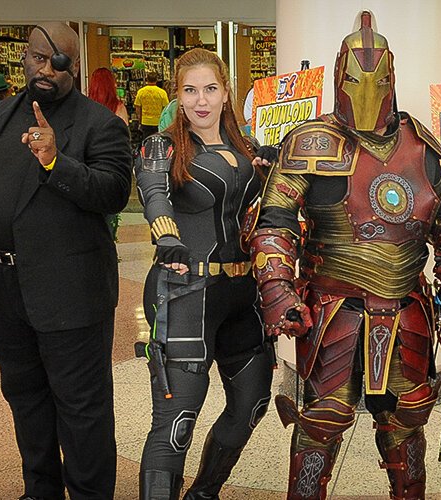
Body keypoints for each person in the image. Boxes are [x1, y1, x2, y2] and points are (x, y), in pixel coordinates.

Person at [248, 12, 441, 499]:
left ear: (392, 76)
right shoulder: (311, 143)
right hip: (335, 306)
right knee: (323, 421)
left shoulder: (419, 141)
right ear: (339, 75)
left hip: (406, 302)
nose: (368, 90)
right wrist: (277, 287)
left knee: (408, 417)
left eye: (378, 79)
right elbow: (275, 222)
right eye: (356, 78)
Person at [0, 22, 132, 500]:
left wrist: (56, 161)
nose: (44, 69)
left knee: (82, 410)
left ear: (74, 66)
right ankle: (41, 491)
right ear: (24, 58)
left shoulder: (99, 124)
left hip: (71, 296)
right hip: (5, 291)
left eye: (56, 61)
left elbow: (113, 192)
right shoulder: (1, 115)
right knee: (26, 401)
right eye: (37, 58)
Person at [133, 48, 272, 500]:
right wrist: (166, 236)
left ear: (227, 93)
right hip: (184, 288)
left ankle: (204, 493)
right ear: (178, 96)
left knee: (251, 403)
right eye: (190, 90)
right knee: (176, 422)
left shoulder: (244, 149)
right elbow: (154, 194)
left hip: (241, 292)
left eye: (210, 89)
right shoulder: (164, 147)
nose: (201, 100)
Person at [134, 74, 169, 140]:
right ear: (156, 80)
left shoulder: (141, 92)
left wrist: (139, 120)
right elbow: (166, 108)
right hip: (158, 122)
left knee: (146, 140)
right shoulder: (162, 92)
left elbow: (138, 108)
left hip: (145, 121)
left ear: (147, 80)